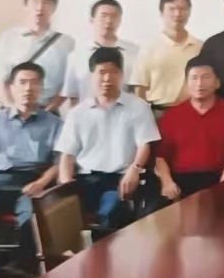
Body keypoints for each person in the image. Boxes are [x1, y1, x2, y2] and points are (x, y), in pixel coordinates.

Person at [0, 62, 62, 264]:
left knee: (31, 218)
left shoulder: (54, 123)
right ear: (11, 87)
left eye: (34, 83)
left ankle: (20, 270)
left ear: (41, 87)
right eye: (23, 82)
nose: (28, 88)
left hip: (31, 183)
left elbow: (59, 161)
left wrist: (41, 183)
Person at [57, 47, 160, 230]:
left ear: (121, 75)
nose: (107, 78)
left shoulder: (138, 107)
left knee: (110, 212)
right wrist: (66, 186)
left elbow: (144, 144)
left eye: (113, 72)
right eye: (101, 72)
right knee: (58, 214)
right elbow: (67, 155)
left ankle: (103, 248)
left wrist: (134, 169)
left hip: (121, 178)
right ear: (91, 76)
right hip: (86, 179)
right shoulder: (77, 113)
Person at [154, 57, 224, 205]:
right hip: (181, 180)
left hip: (219, 179)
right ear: (186, 84)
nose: (199, 83)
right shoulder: (172, 115)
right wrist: (167, 182)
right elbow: (161, 157)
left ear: (217, 82)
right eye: (194, 78)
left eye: (205, 77)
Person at [0, 0, 75, 112]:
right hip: (12, 111)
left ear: (54, 8)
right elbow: (0, 79)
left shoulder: (66, 43)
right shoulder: (9, 38)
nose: (40, 8)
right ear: (25, 6)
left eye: (46, 2)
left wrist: (49, 111)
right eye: (35, 2)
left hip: (46, 112)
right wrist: (12, 108)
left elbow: (69, 82)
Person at [131, 0, 203, 117]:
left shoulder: (200, 47)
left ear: (189, 12)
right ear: (161, 12)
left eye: (182, 9)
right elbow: (140, 87)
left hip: (193, 113)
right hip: (158, 113)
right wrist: (143, 116)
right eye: (172, 9)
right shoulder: (149, 48)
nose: (177, 14)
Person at [61, 0, 140, 107]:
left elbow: (138, 91)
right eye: (104, 16)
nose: (109, 21)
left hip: (124, 114)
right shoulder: (77, 55)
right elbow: (73, 97)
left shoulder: (134, 53)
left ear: (120, 20)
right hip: (87, 114)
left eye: (114, 16)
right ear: (92, 19)